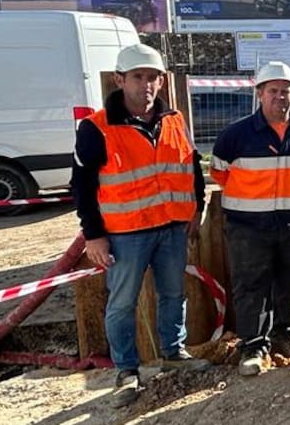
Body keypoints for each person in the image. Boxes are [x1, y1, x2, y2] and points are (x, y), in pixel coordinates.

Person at [72, 44, 210, 407]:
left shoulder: (175, 120)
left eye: (152, 78)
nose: (145, 85)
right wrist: (94, 235)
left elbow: (191, 167)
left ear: (161, 82)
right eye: (137, 77)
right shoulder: (96, 128)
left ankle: (173, 351)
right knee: (121, 303)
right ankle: (126, 370)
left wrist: (197, 208)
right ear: (120, 80)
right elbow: (82, 186)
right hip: (125, 234)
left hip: (172, 228)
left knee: (173, 295)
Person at [211, 61, 290, 377]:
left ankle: (285, 334)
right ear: (259, 94)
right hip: (248, 228)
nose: (280, 97)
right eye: (273, 91)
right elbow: (219, 172)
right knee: (251, 285)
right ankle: (253, 346)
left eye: (286, 91)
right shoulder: (236, 135)